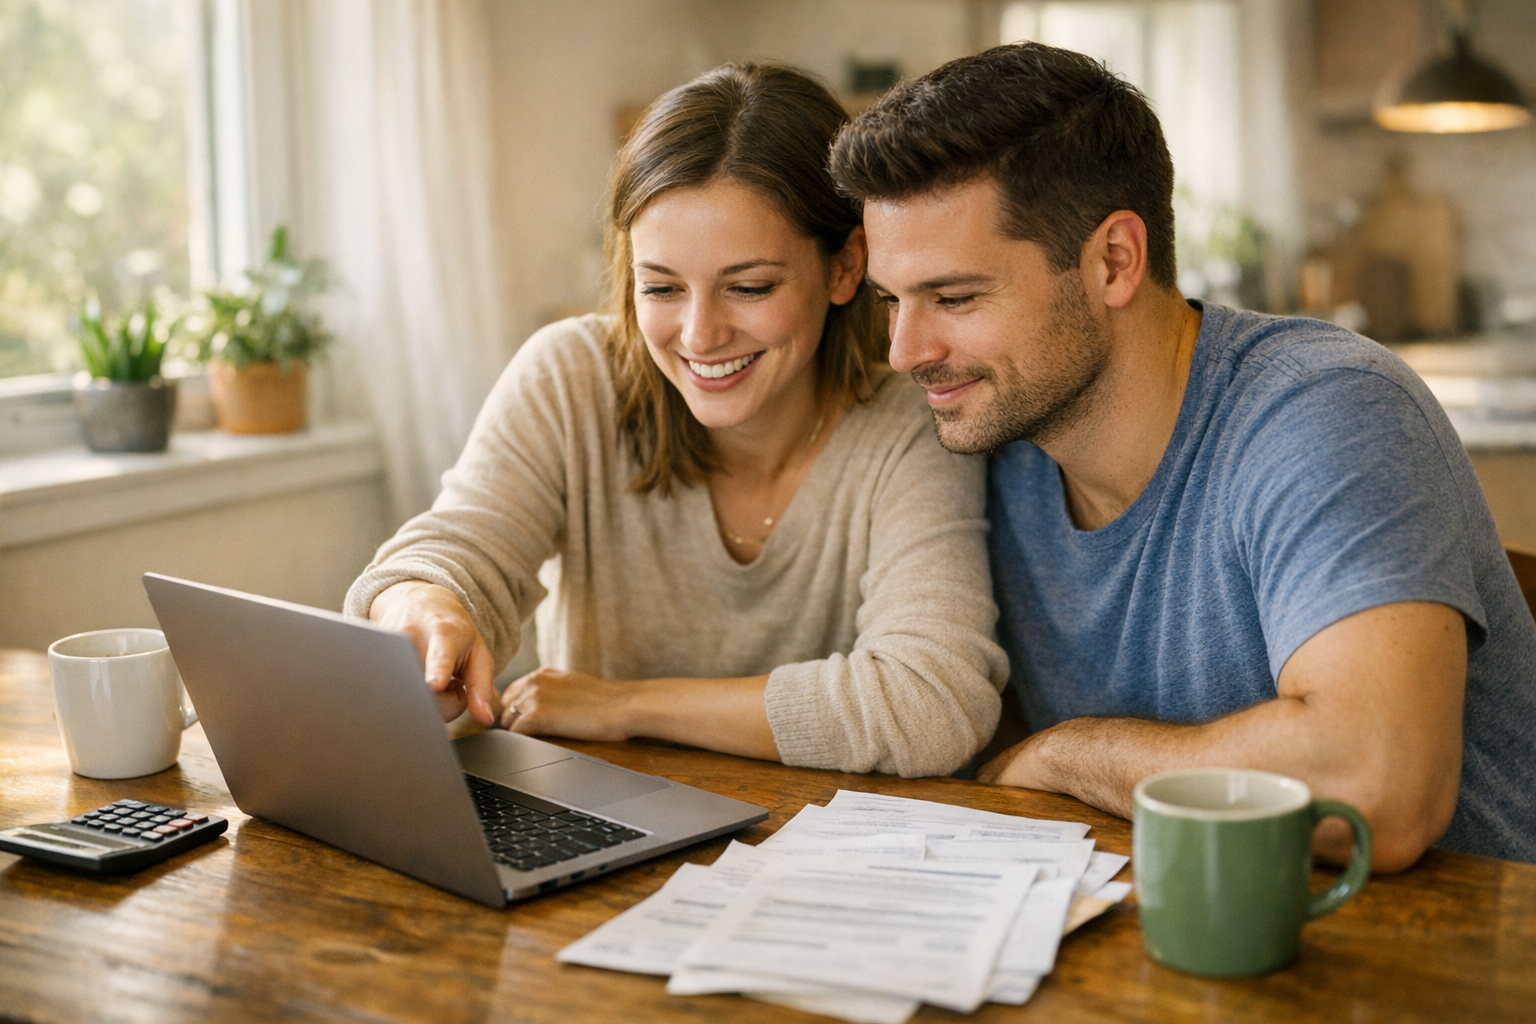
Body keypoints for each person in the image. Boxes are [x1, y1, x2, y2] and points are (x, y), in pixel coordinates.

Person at [828, 43, 1536, 866]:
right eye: (891, 301)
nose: (904, 351)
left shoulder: (1325, 408)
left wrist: (1069, 753)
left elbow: (1374, 785)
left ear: (1114, 262)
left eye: (954, 298)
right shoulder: (991, 442)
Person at [344, 63, 1007, 779]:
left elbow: (932, 704)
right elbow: (459, 547)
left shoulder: (912, 427)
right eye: (661, 287)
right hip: (600, 834)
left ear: (846, 268)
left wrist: (626, 706)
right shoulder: (571, 378)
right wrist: (425, 601)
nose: (698, 335)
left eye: (748, 287)